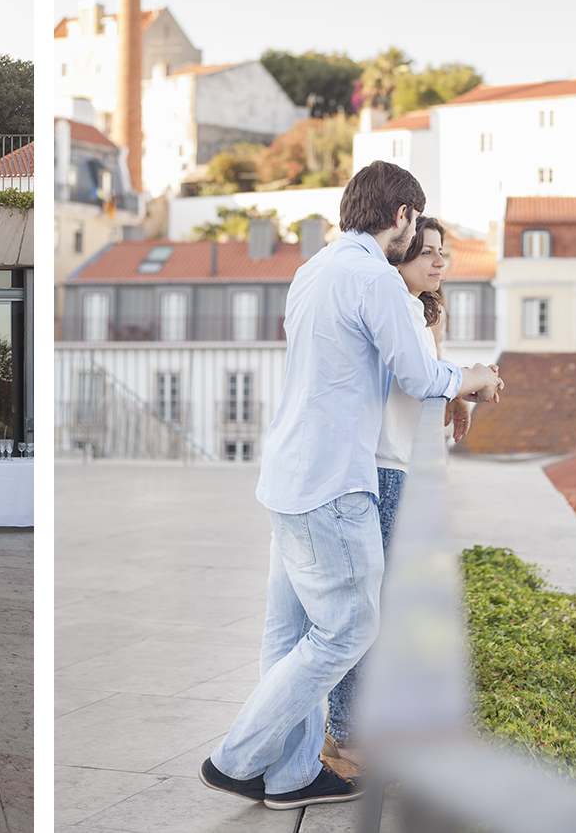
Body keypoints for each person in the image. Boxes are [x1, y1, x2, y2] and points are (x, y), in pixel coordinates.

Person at [200, 161, 502, 812]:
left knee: (289, 634)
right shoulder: (373, 279)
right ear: (400, 216)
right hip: (334, 483)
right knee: (349, 629)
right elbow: (421, 376)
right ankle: (237, 758)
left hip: (286, 476)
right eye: (416, 223)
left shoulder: (314, 270)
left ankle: (288, 776)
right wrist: (474, 376)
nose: (417, 234)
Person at [323, 214, 476, 757]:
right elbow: (415, 378)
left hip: (398, 464)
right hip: (384, 466)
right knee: (368, 610)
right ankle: (345, 737)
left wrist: (451, 385)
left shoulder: (413, 309)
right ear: (399, 255)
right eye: (426, 252)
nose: (439, 261)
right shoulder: (393, 305)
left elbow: (425, 381)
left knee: (379, 607)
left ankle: (357, 729)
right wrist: (465, 379)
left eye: (443, 254)